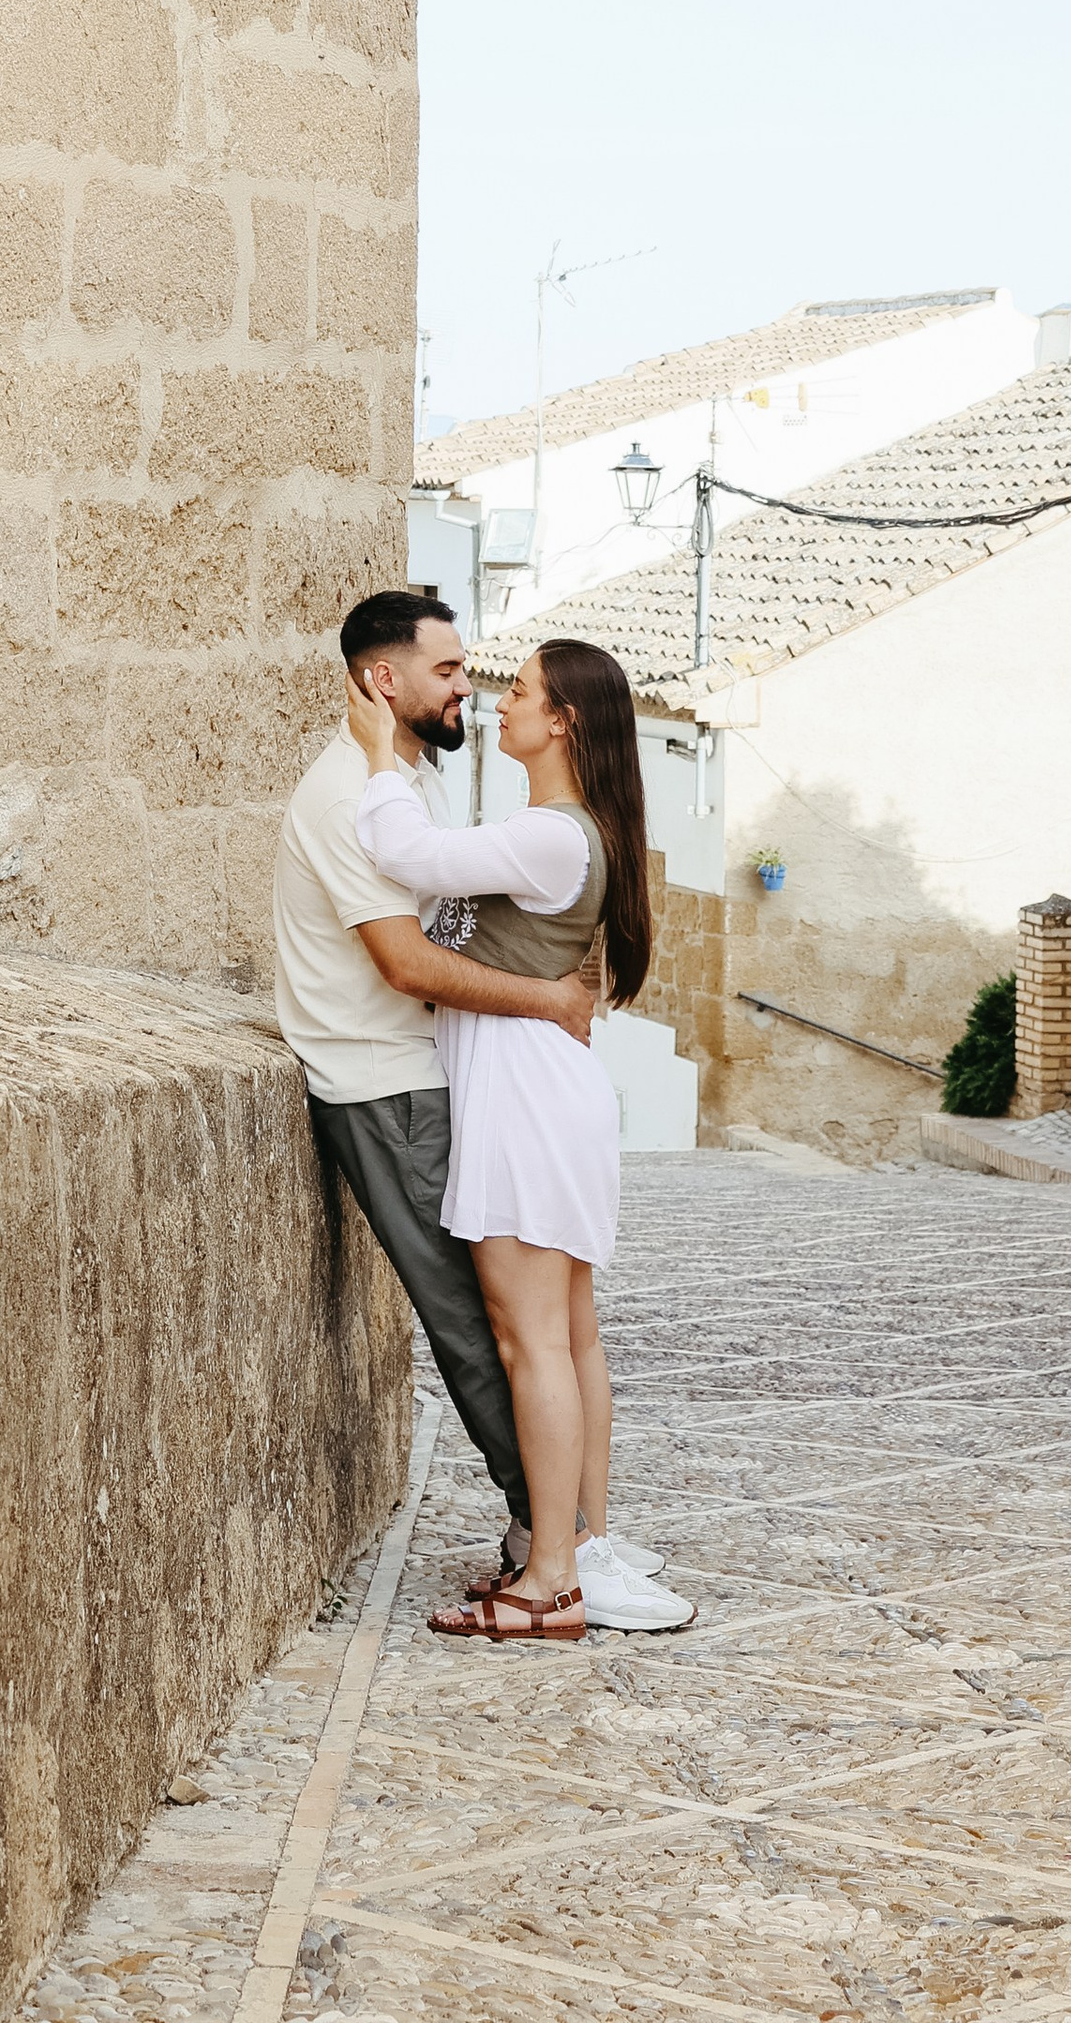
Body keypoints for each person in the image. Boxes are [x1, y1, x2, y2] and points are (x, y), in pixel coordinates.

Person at [349, 634, 681, 1644]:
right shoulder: (564, 830)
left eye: (522, 693)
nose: (501, 706)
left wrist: (374, 755)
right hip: (539, 1092)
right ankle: (582, 1549)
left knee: (530, 1336)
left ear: (564, 720)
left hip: (526, 1100)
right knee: (568, 1335)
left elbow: (410, 856)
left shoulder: (555, 836)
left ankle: (547, 1581)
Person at [272, 589, 592, 1598]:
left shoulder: (404, 780)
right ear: (385, 680)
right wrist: (544, 1000)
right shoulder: (342, 795)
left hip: (433, 1077)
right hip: (385, 1086)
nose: (468, 689)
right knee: (473, 1320)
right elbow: (407, 964)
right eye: (449, 672)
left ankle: (566, 1543)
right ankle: (552, 1548)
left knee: (523, 1317)